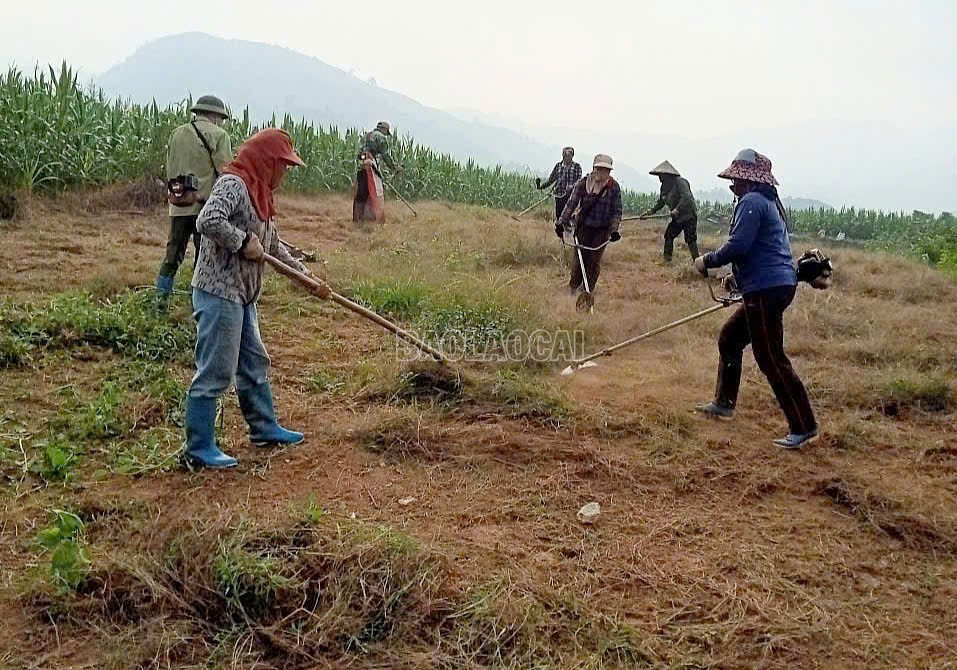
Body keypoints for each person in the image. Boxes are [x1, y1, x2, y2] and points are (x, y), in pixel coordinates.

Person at [185, 128, 328, 468]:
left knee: (253, 362)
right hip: (219, 291)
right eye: (284, 166)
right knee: (217, 369)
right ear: (267, 161)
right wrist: (240, 240)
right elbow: (208, 220)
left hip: (244, 294)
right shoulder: (233, 184)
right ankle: (198, 448)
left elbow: (273, 247)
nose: (286, 173)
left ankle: (264, 428)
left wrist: (306, 278)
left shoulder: (260, 192)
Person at [693, 149, 818, 449]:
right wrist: (737, 277)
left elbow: (739, 246)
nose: (732, 184)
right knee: (730, 339)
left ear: (747, 179)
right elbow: (762, 250)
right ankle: (724, 403)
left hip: (766, 290)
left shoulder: (751, 202)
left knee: (771, 357)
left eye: (736, 178)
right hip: (770, 285)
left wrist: (706, 260)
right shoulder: (766, 202)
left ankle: (803, 426)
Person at [156, 95, 233, 303]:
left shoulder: (176, 133)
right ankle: (197, 307)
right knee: (203, 260)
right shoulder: (219, 135)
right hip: (205, 208)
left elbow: (171, 166)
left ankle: (160, 304)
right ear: (214, 115)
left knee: (172, 255)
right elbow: (226, 173)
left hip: (179, 205)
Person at [555, 154, 622, 294]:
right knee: (579, 259)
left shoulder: (613, 187)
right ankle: (573, 288)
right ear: (594, 168)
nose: (602, 173)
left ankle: (587, 292)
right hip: (583, 227)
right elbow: (570, 205)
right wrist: (561, 222)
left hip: (602, 230)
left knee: (594, 260)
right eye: (599, 169)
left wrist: (614, 230)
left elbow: (616, 211)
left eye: (606, 170)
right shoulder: (583, 184)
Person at [642, 160, 699, 262]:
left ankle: (698, 262)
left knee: (691, 240)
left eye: (661, 175)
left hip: (688, 215)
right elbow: (661, 202)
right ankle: (667, 260)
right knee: (669, 235)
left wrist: (677, 209)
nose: (660, 178)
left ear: (668, 175)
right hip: (677, 218)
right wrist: (649, 212)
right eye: (659, 175)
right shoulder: (664, 187)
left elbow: (687, 198)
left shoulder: (680, 182)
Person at [353, 121, 403, 222]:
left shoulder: (366, 135)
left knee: (362, 192)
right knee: (376, 190)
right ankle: (376, 218)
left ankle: (358, 218)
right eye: (386, 132)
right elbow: (385, 155)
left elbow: (358, 153)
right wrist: (394, 167)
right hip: (371, 165)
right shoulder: (381, 138)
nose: (386, 135)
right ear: (384, 130)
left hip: (361, 165)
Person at [536, 147, 582, 221]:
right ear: (562, 155)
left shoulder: (577, 167)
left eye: (569, 155)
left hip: (571, 198)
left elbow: (579, 182)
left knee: (569, 217)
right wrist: (541, 187)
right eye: (565, 155)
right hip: (559, 196)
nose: (567, 157)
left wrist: (571, 188)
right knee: (559, 217)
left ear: (572, 156)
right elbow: (551, 180)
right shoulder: (558, 166)